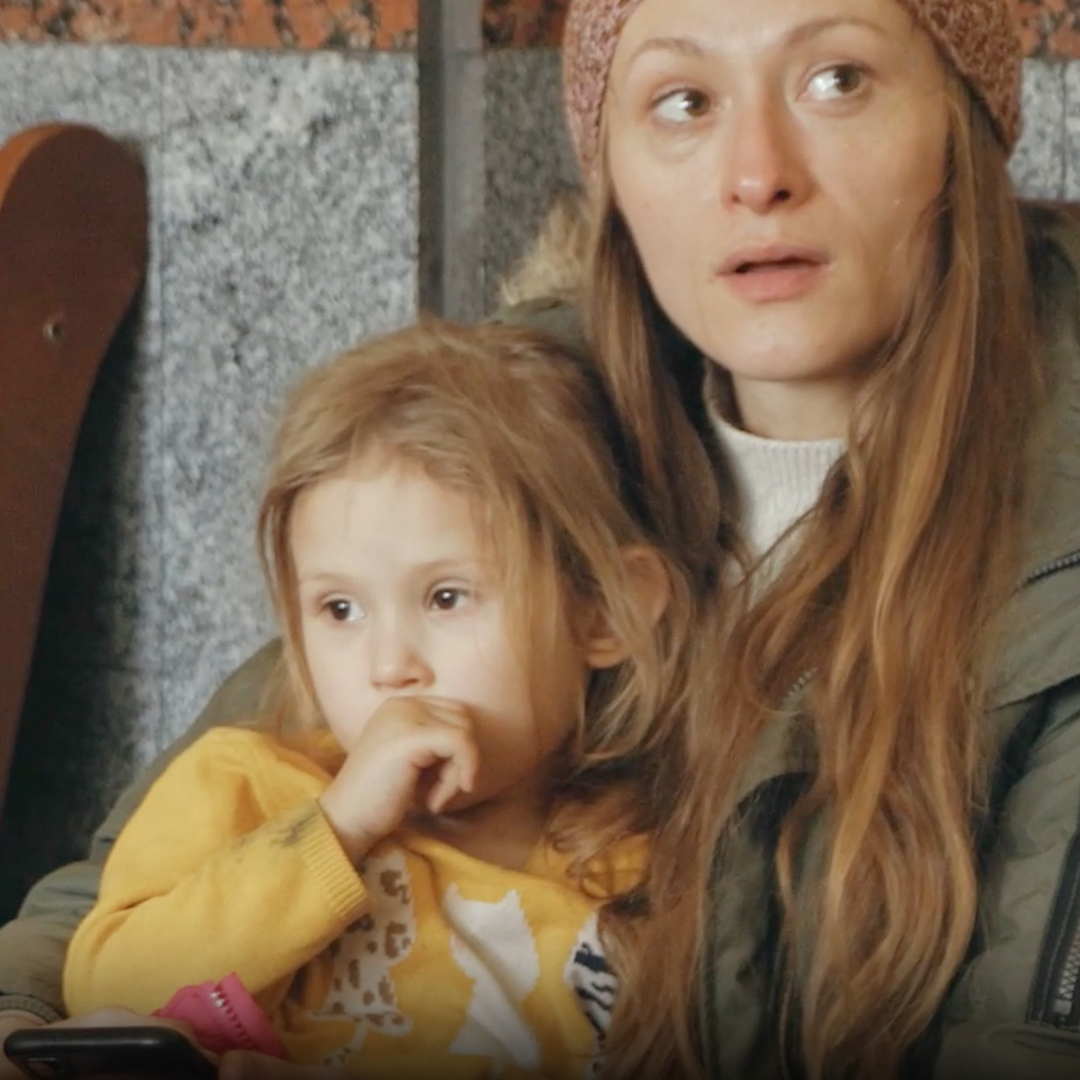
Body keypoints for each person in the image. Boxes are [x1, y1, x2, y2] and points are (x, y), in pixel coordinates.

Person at [1, 0, 1080, 1076]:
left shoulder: (1055, 552)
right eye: (683, 100)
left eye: (836, 80)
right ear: (611, 171)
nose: (758, 174)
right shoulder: (511, 436)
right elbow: (92, 925)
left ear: (967, 123)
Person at [60, 318, 700, 1079]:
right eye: (340, 610)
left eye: (447, 597)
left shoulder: (651, 864)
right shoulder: (244, 790)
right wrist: (337, 829)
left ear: (602, 612)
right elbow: (106, 994)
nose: (390, 666)